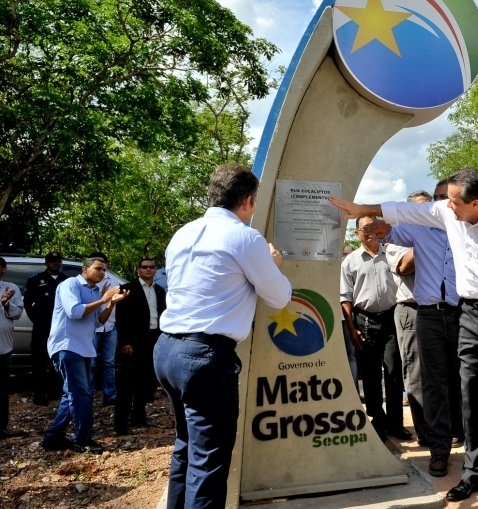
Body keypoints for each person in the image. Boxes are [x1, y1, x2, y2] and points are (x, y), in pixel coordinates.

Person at [331, 168, 478, 508]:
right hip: (469, 314)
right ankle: (475, 470)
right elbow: (407, 211)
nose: (444, 206)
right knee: (470, 394)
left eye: (452, 201)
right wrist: (364, 209)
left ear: (476, 203)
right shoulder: (449, 212)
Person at [154, 164, 291, 509]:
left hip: (167, 349)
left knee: (186, 447)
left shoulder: (183, 233)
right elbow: (279, 297)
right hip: (205, 357)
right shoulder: (245, 238)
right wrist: (273, 264)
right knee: (209, 463)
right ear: (247, 201)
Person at [367, 180, 466, 477]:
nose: (440, 205)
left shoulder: (467, 227)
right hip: (424, 313)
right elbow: (397, 255)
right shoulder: (414, 231)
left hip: (464, 313)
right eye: (435, 200)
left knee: (467, 381)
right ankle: (438, 448)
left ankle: (476, 447)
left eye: (445, 199)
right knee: (430, 383)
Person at [42, 257, 129, 454]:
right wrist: (103, 299)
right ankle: (82, 439)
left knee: (72, 393)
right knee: (81, 393)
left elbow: (98, 322)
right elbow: (74, 312)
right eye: (98, 268)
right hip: (67, 346)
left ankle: (53, 436)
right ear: (85, 269)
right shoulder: (70, 284)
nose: (102, 273)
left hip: (85, 347)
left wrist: (111, 304)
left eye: (104, 270)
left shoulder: (95, 291)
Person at [340, 215, 408, 442]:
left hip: (391, 319)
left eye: (372, 226)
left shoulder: (391, 254)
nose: (369, 231)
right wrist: (351, 328)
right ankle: (377, 422)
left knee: (393, 373)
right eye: (363, 228)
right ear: (357, 233)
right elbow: (345, 298)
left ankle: (396, 424)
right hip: (363, 322)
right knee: (369, 376)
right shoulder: (349, 262)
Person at [385, 190, 433, 451]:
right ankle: (426, 434)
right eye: (421, 210)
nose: (428, 214)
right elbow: (404, 266)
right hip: (411, 310)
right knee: (416, 375)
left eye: (430, 209)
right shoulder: (398, 238)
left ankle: (450, 429)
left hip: (441, 310)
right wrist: (425, 240)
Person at [114, 258, 167, 435]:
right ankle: (120, 423)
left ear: (156, 270)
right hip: (133, 342)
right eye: (144, 267)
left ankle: (138, 416)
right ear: (138, 270)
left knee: (146, 382)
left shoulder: (160, 291)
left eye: (152, 267)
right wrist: (124, 342)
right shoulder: (127, 289)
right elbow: (121, 319)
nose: (148, 270)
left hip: (153, 339)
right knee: (127, 384)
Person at [24, 251, 69, 406]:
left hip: (61, 329)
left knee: (57, 362)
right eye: (52, 261)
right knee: (39, 363)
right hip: (42, 328)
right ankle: (39, 394)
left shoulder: (67, 281)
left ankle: (55, 392)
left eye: (58, 261)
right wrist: (38, 320)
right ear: (46, 263)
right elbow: (28, 304)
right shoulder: (36, 280)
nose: (55, 263)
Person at [87, 251, 118, 407]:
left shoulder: (114, 281)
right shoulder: (88, 283)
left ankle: (110, 395)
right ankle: (88, 395)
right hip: (93, 327)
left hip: (110, 325)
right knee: (91, 363)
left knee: (109, 363)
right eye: (97, 265)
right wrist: (102, 297)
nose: (101, 270)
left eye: (103, 266)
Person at [0, 257, 26, 438]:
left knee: (2, 389)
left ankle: (2, 427)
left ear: (3, 269)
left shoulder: (11, 288)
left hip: (4, 347)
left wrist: (6, 303)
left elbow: (17, 314)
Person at [340, 245, 359, 391]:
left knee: (350, 355)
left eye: (349, 253)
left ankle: (354, 392)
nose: (346, 256)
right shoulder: (337, 268)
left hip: (348, 319)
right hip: (336, 318)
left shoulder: (353, 267)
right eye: (344, 253)